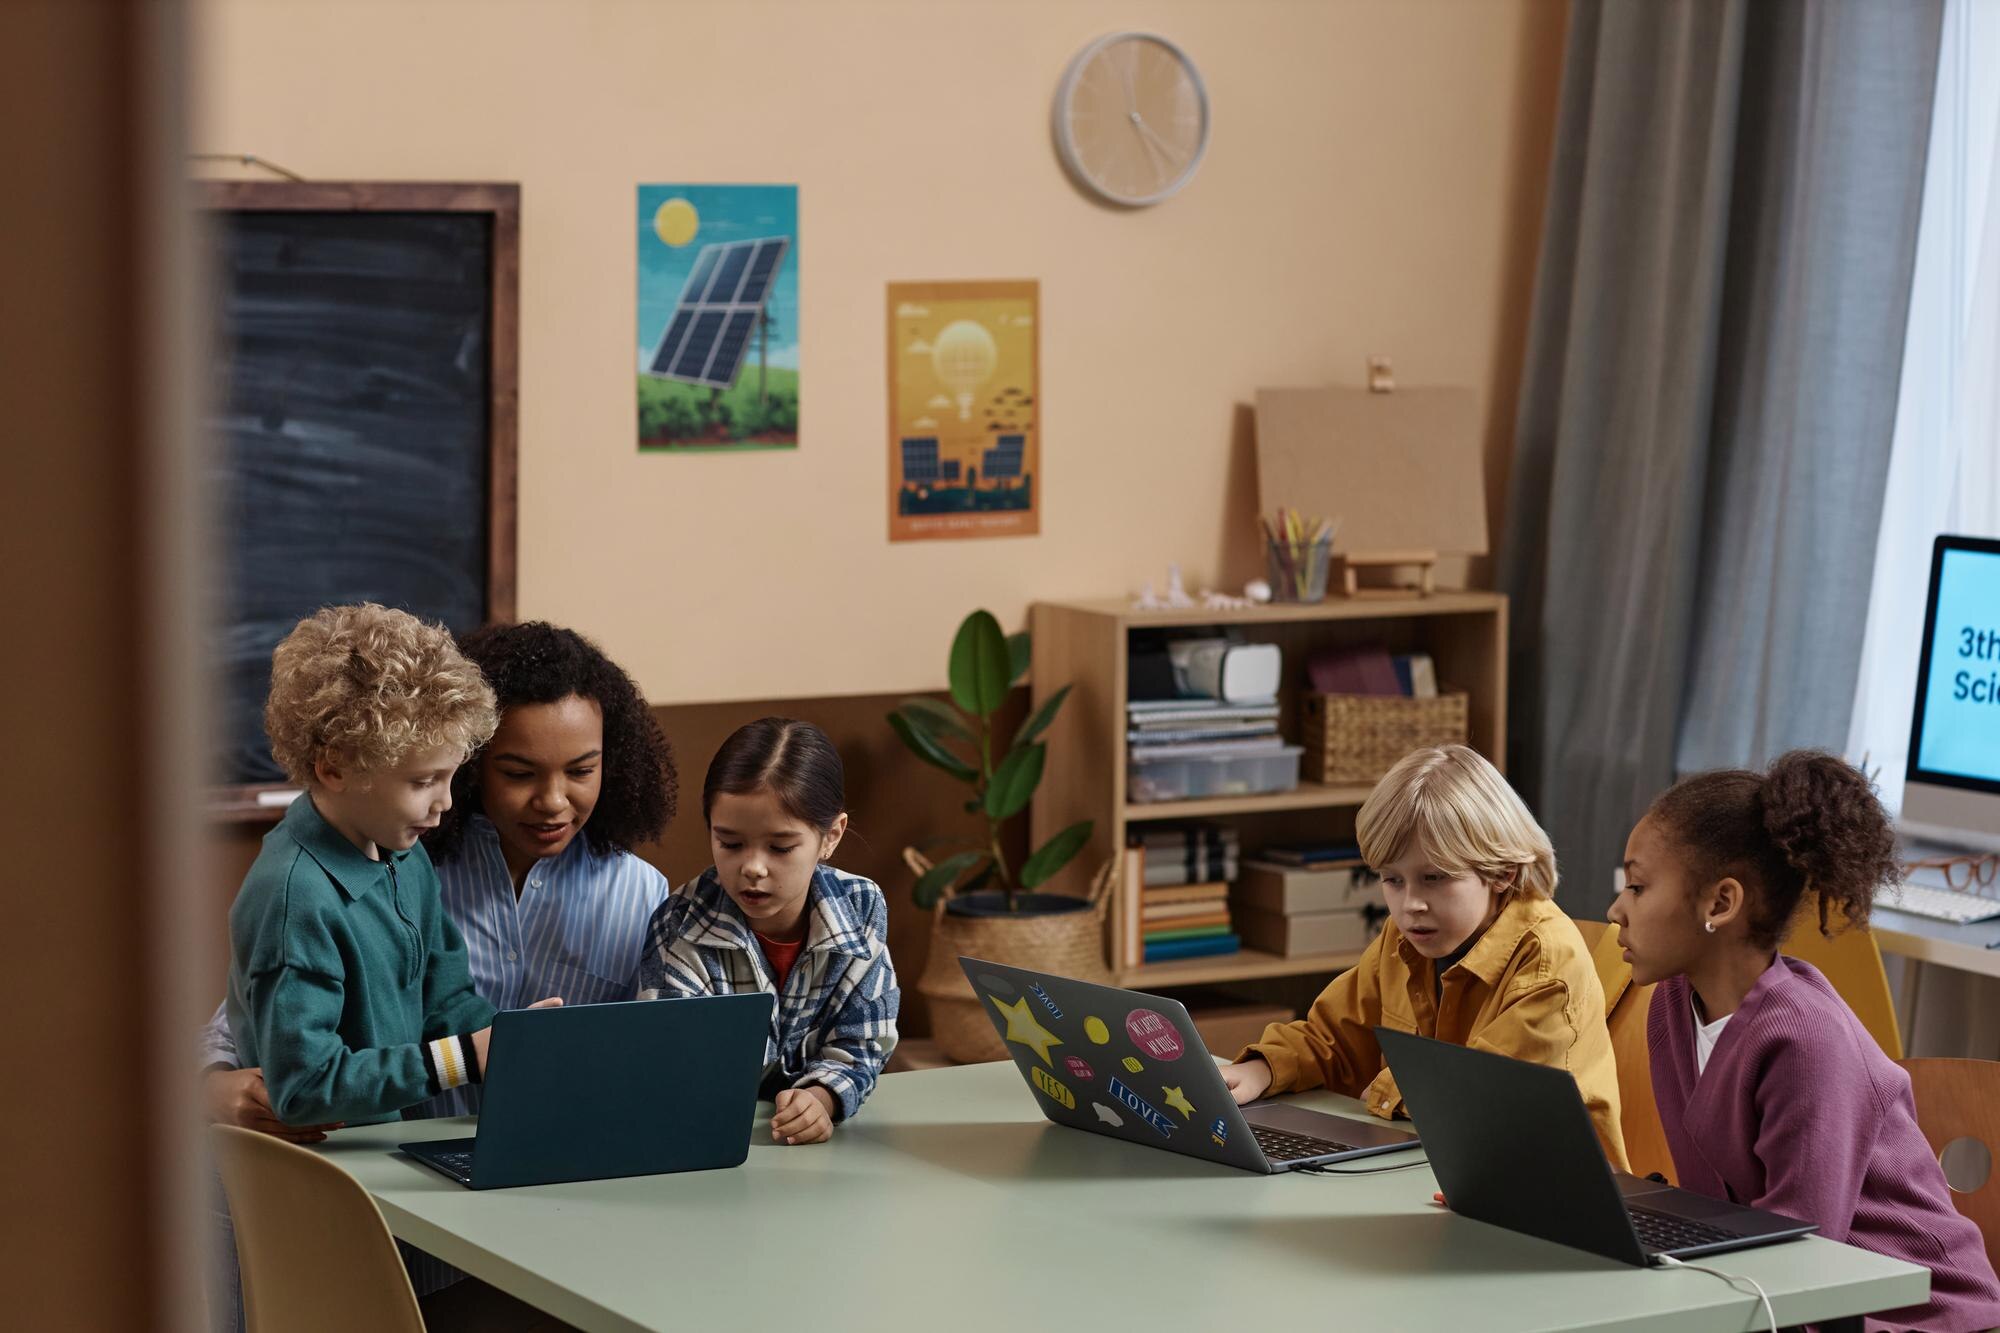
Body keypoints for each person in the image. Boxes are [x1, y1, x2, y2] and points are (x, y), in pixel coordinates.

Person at [1611, 750, 2000, 1331]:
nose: (1616, 909)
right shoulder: (1671, 1006)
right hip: (1783, 1298)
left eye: (1638, 887)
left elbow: (1797, 1256)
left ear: (1721, 903)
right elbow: (1723, 1216)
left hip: (1911, 1316)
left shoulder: (1805, 1040)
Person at [1221, 745, 1627, 1168]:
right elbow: (1334, 1039)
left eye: (1434, 878)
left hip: (1545, 1193)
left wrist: (1381, 1092)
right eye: (1392, 880)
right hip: (1435, 1167)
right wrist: (1263, 1069)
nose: (1410, 904)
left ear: (1502, 872)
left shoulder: (1547, 964)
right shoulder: (1405, 938)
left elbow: (1482, 1105)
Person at [638, 718, 899, 1144]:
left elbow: (864, 1041)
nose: (753, 868)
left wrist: (822, 1098)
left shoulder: (861, 907)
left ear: (831, 836)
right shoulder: (679, 925)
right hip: (713, 1143)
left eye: (780, 847)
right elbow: (671, 1065)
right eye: (730, 843)